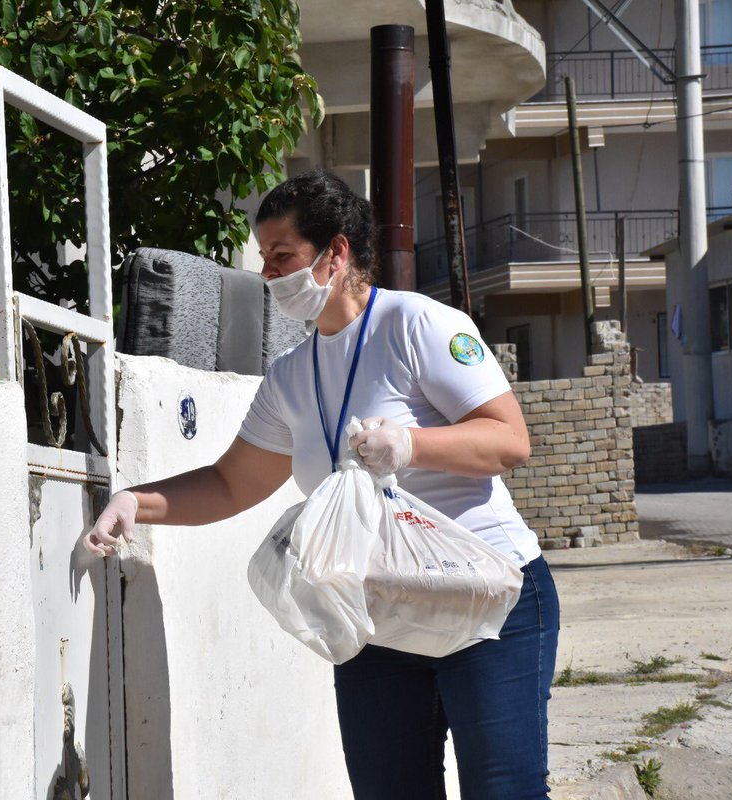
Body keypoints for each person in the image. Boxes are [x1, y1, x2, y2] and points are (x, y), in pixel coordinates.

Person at [83, 169, 559, 800]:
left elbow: (508, 440)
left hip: (486, 599)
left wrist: (412, 444)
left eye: (283, 256)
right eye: (264, 259)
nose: (268, 274)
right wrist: (135, 502)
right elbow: (230, 483)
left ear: (336, 253)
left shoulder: (417, 325)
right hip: (377, 613)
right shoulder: (290, 375)